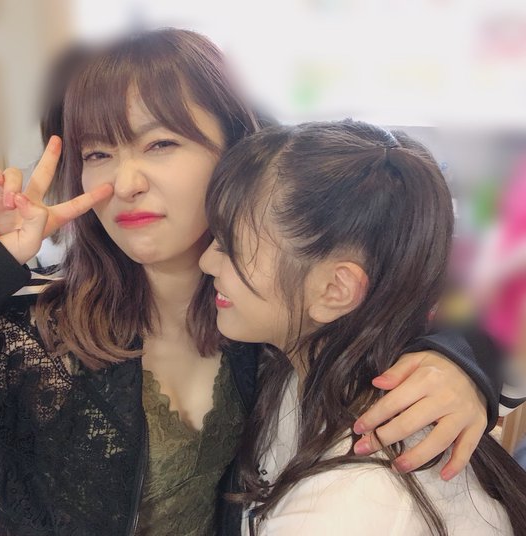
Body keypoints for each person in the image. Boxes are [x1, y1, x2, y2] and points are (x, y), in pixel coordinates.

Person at [0, 29, 506, 535]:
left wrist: (456, 362)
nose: (125, 182)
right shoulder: (25, 338)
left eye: (160, 144)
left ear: (236, 151)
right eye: (99, 153)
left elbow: (401, 280)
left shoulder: (274, 324)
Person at [199, 121, 526, 535]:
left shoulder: (349, 508)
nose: (205, 262)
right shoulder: (298, 368)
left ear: (335, 290)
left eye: (230, 247)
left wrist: (470, 356)